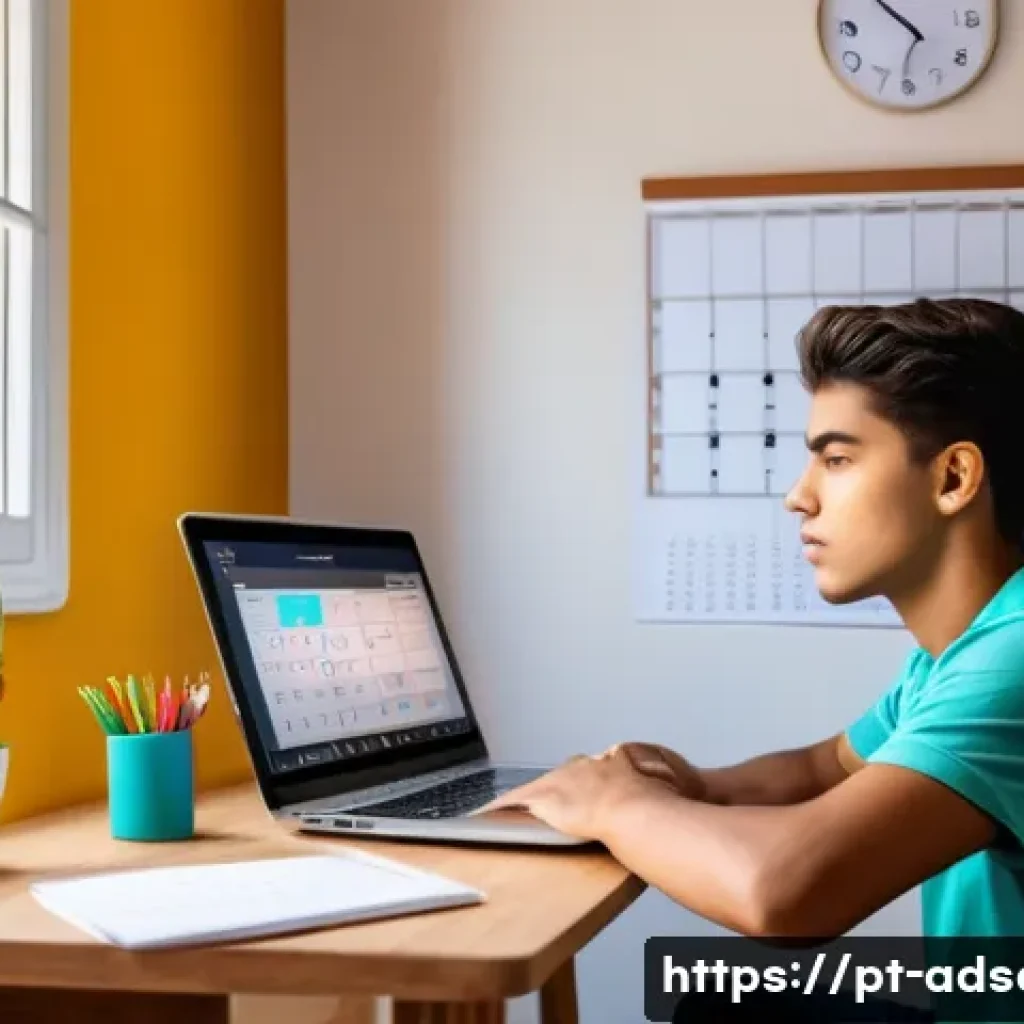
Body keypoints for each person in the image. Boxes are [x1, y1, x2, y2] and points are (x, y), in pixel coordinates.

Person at [478, 298, 1024, 1021]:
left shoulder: (1013, 653)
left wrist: (613, 801)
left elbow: (786, 894)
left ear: (953, 478)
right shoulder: (954, 655)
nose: (799, 497)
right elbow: (823, 769)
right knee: (714, 1003)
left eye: (836, 458)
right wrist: (693, 784)